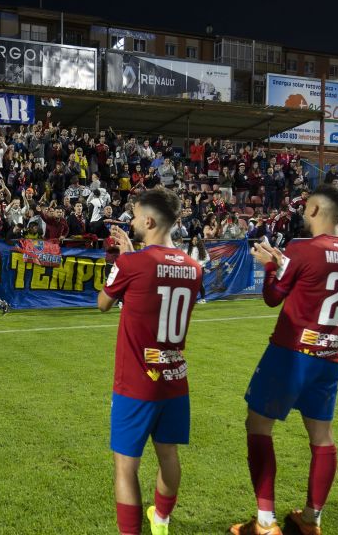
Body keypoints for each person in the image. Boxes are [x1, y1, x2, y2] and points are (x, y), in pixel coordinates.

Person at [230, 184, 338, 535]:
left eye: (307, 206)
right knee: (322, 436)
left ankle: (264, 523)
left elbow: (273, 297)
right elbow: (319, 285)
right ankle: (311, 519)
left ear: (315, 211)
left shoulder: (302, 248)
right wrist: (287, 265)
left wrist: (270, 267)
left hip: (291, 352)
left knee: (258, 425)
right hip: (330, 356)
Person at [97, 188, 202, 535]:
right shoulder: (193, 266)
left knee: (126, 467)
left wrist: (123, 260)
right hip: (174, 378)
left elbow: (103, 303)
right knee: (168, 454)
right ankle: (161, 520)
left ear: (150, 220)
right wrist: (133, 256)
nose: (132, 220)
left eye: (136, 215)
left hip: (137, 382)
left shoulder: (132, 263)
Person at [186, 235, 209, 303]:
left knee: (199, 283)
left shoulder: (202, 249)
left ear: (198, 241)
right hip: (192, 269)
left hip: (200, 268)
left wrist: (200, 264)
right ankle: (193, 298)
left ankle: (203, 299)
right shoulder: (190, 249)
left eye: (196, 240)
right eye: (193, 240)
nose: (194, 241)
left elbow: (208, 258)